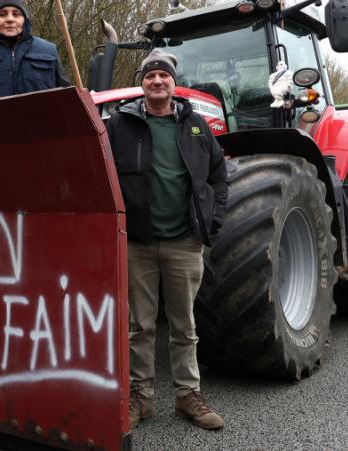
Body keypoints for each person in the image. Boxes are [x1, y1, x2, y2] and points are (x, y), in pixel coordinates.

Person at [105, 50, 228, 430]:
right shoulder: (120, 125)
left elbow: (218, 176)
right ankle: (140, 397)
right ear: (141, 83)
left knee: (184, 326)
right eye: (150, 76)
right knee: (139, 326)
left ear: (174, 83)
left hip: (184, 242)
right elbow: (103, 172)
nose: (157, 81)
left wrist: (212, 221)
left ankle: (187, 396)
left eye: (163, 75)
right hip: (137, 243)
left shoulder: (195, 125)